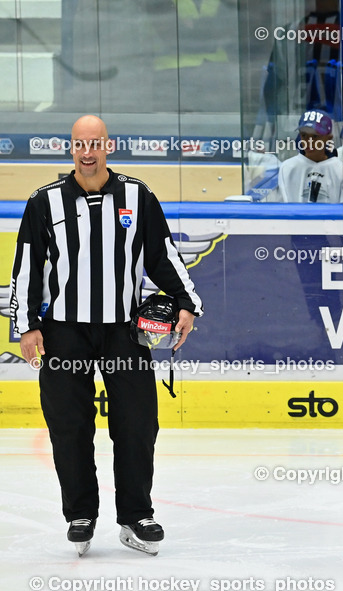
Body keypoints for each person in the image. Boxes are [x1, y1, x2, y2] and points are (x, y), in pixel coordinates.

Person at [9, 115, 203, 557]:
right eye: (80, 143)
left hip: (123, 330)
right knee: (69, 425)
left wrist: (188, 302)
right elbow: (26, 268)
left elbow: (163, 256)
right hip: (63, 332)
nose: (87, 151)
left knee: (137, 423)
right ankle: (81, 514)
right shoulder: (45, 202)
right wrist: (26, 326)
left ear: (108, 145)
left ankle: (137, 514)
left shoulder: (137, 194)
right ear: (70, 148)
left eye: (95, 142)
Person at [273, 110, 343, 203]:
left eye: (315, 136)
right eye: (304, 135)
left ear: (329, 138)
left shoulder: (340, 170)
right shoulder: (288, 168)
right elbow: (282, 209)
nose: (309, 141)